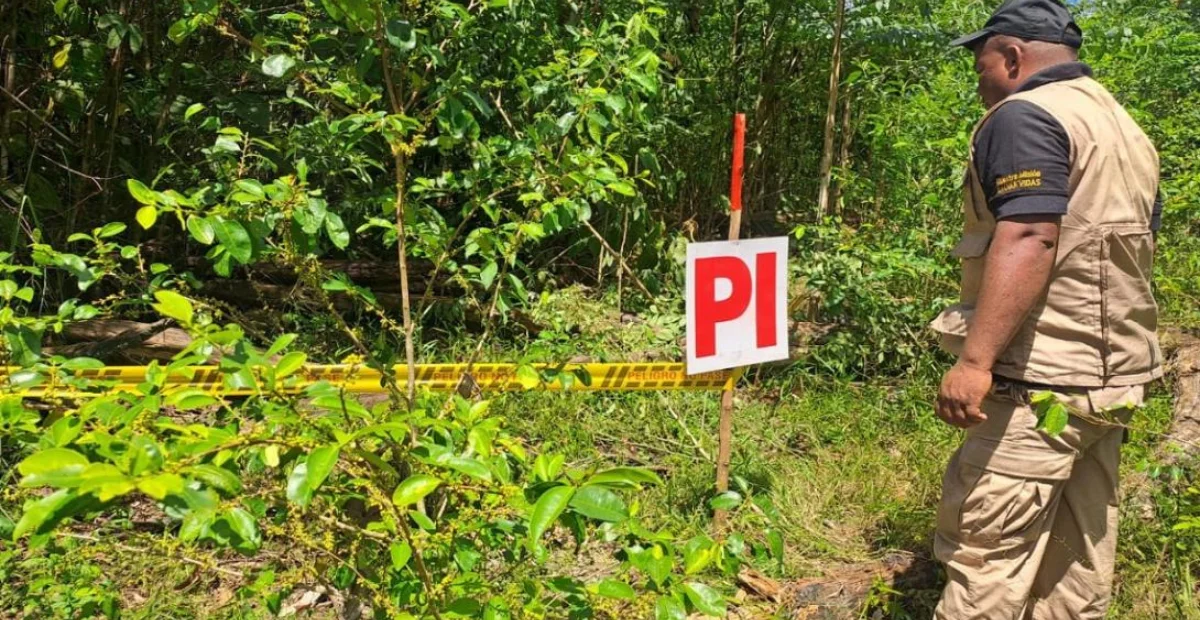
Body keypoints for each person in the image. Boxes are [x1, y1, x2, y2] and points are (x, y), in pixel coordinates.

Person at [930, 0, 1164, 618]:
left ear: (1011, 56)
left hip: (1036, 384)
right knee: (1074, 567)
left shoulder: (1025, 116)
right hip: (1107, 381)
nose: (977, 79)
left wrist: (976, 361)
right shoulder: (1122, 126)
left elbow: (1031, 233)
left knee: (986, 560)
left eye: (980, 63)